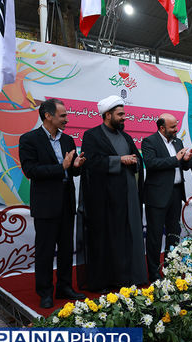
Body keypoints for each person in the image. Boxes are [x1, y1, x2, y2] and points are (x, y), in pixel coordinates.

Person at [19, 98, 86, 308]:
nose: (67, 119)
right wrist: (62, 166)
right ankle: (45, 292)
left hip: (67, 203)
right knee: (45, 251)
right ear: (48, 116)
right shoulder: (29, 139)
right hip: (46, 205)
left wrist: (76, 166)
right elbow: (31, 171)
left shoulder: (68, 140)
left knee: (66, 249)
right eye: (63, 115)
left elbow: (71, 170)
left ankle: (64, 287)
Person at [80, 95, 147, 292]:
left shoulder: (125, 137)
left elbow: (137, 159)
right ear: (107, 115)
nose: (124, 118)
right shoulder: (92, 136)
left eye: (124, 114)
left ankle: (127, 277)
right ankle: (106, 281)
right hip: (105, 200)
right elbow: (91, 162)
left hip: (127, 197)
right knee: (107, 240)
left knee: (127, 238)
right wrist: (119, 160)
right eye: (120, 114)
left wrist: (135, 161)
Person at [142, 113, 192, 283]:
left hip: (175, 193)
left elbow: (182, 166)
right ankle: (154, 273)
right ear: (162, 128)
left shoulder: (178, 142)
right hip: (157, 196)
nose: (176, 130)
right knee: (155, 236)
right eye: (172, 127)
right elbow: (152, 164)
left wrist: (186, 160)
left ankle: (171, 268)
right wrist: (175, 159)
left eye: (176, 126)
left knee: (173, 232)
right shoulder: (149, 142)